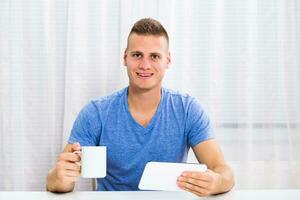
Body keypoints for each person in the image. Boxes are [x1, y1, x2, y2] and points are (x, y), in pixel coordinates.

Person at [46, 18, 234, 196]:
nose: (145, 65)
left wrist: (216, 182)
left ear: (167, 60)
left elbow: (223, 171)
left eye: (154, 56)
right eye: (137, 55)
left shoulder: (188, 110)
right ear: (125, 57)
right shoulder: (96, 113)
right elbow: (54, 182)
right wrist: (62, 177)